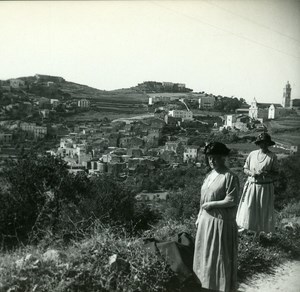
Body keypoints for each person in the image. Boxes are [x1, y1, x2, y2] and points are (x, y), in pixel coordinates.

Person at [193, 142, 239, 292]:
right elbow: (202, 199)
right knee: (205, 254)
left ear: (223, 158)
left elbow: (231, 200)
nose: (212, 161)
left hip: (221, 222)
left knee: (219, 255)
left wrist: (212, 204)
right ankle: (206, 284)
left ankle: (221, 287)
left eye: (216, 158)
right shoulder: (210, 175)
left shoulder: (230, 176)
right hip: (206, 221)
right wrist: (199, 216)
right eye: (210, 158)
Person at [236, 132, 279, 234]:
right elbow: (245, 169)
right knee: (249, 206)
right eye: (261, 142)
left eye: (265, 143)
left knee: (263, 208)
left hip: (265, 187)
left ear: (268, 144)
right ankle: (245, 227)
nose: (263, 145)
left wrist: (265, 173)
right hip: (252, 185)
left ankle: (260, 231)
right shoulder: (252, 154)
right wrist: (252, 173)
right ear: (258, 143)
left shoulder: (272, 156)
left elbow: (276, 174)